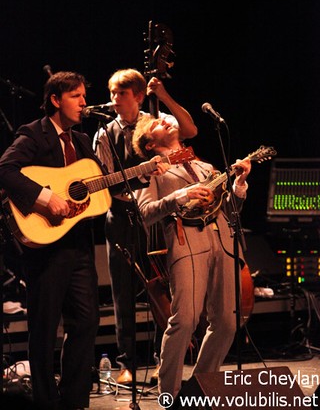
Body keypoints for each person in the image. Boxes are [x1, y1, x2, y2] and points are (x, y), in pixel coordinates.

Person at [0, 71, 108, 410]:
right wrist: (46, 199)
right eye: (75, 96)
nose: (83, 102)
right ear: (55, 100)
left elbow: (98, 186)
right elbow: (5, 169)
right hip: (45, 246)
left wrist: (143, 171)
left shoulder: (82, 140)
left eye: (84, 96)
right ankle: (46, 402)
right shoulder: (34, 133)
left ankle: (75, 399)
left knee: (88, 320)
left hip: (78, 246)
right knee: (44, 327)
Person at [131, 114, 252, 399]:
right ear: (148, 143)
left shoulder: (205, 166)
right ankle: (169, 393)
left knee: (227, 321)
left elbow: (231, 210)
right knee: (185, 319)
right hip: (186, 238)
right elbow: (145, 213)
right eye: (158, 124)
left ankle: (199, 388)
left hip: (222, 237)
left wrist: (239, 185)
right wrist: (181, 195)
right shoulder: (150, 169)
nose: (167, 122)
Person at [92, 68, 198, 385]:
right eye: (112, 94)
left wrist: (163, 95)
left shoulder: (155, 122)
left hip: (158, 215)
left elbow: (190, 130)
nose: (114, 100)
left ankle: (162, 356)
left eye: (121, 94)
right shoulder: (104, 133)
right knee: (122, 291)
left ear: (139, 96)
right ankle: (126, 362)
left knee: (162, 285)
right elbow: (105, 181)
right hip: (122, 214)